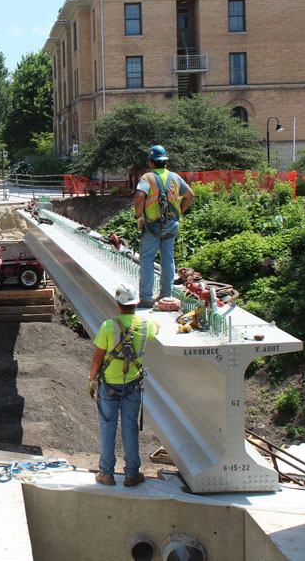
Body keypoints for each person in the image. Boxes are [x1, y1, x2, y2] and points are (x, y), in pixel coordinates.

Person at [87, 283, 160, 487]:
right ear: (136, 305)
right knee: (130, 428)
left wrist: (92, 379)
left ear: (118, 304)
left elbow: (97, 358)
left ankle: (107, 474)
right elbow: (157, 328)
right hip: (132, 386)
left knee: (108, 428)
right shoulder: (146, 326)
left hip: (109, 385)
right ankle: (131, 474)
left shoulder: (108, 326)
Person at [134, 146, 194, 308]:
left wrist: (139, 216)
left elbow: (140, 196)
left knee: (147, 259)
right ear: (165, 162)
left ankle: (146, 298)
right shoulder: (175, 178)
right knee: (168, 259)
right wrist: (179, 212)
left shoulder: (147, 178)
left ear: (152, 162)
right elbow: (190, 195)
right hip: (171, 224)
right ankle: (166, 296)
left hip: (152, 225)